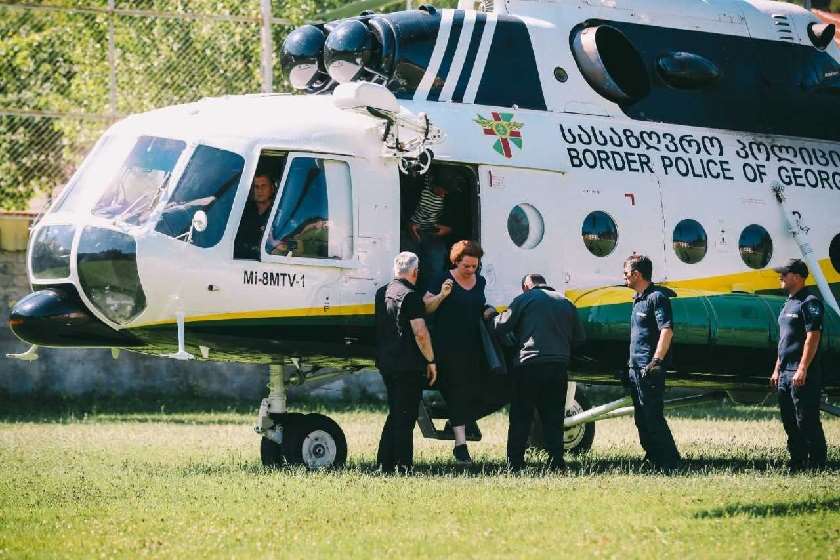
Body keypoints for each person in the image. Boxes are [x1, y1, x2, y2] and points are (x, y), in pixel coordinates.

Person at [493, 274, 586, 471]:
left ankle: (515, 464)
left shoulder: (525, 299)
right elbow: (579, 338)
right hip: (558, 367)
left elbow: (502, 325)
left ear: (526, 286)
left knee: (521, 416)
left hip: (529, 365)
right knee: (554, 417)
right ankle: (556, 463)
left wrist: (491, 315)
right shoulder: (566, 302)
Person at [424, 240, 495, 464]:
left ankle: (458, 423)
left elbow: (477, 306)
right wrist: (442, 295)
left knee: (477, 389)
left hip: (473, 346)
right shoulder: (443, 279)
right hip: (447, 347)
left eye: (475, 266)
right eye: (467, 266)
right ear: (456, 261)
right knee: (457, 392)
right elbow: (426, 307)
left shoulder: (480, 281)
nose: (471, 270)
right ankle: (460, 445)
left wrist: (487, 310)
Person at [375, 251, 438, 473]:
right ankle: (403, 465)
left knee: (396, 413)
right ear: (415, 272)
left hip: (387, 362)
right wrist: (431, 360)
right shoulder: (411, 296)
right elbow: (420, 333)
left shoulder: (382, 292)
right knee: (406, 416)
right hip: (408, 365)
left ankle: (384, 463)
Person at [623, 254, 681, 471]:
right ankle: (652, 456)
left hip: (649, 368)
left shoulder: (657, 298)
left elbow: (666, 330)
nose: (624, 277)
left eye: (626, 273)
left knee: (652, 415)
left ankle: (670, 460)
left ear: (637, 274)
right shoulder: (638, 299)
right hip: (635, 367)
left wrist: (656, 360)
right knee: (641, 417)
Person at [770, 258, 827, 471]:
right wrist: (777, 368)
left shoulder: (810, 302)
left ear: (797, 277)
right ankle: (797, 460)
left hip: (802, 372)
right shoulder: (788, 304)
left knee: (806, 419)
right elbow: (784, 340)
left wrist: (802, 368)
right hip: (785, 372)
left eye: (784, 274)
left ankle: (818, 463)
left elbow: (813, 337)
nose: (781, 277)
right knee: (789, 420)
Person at [407, 168, 457, 289]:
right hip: (410, 231)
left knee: (436, 261)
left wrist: (449, 229)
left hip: (433, 234)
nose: (443, 195)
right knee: (409, 263)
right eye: (441, 191)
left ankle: (430, 294)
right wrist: (409, 225)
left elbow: (458, 218)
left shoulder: (451, 194)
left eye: (446, 192)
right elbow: (402, 205)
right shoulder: (418, 184)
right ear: (434, 184)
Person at [234, 173, 275, 259]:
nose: (260, 190)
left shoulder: (278, 213)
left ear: (272, 189)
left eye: (264, 186)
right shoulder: (242, 210)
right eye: (256, 187)